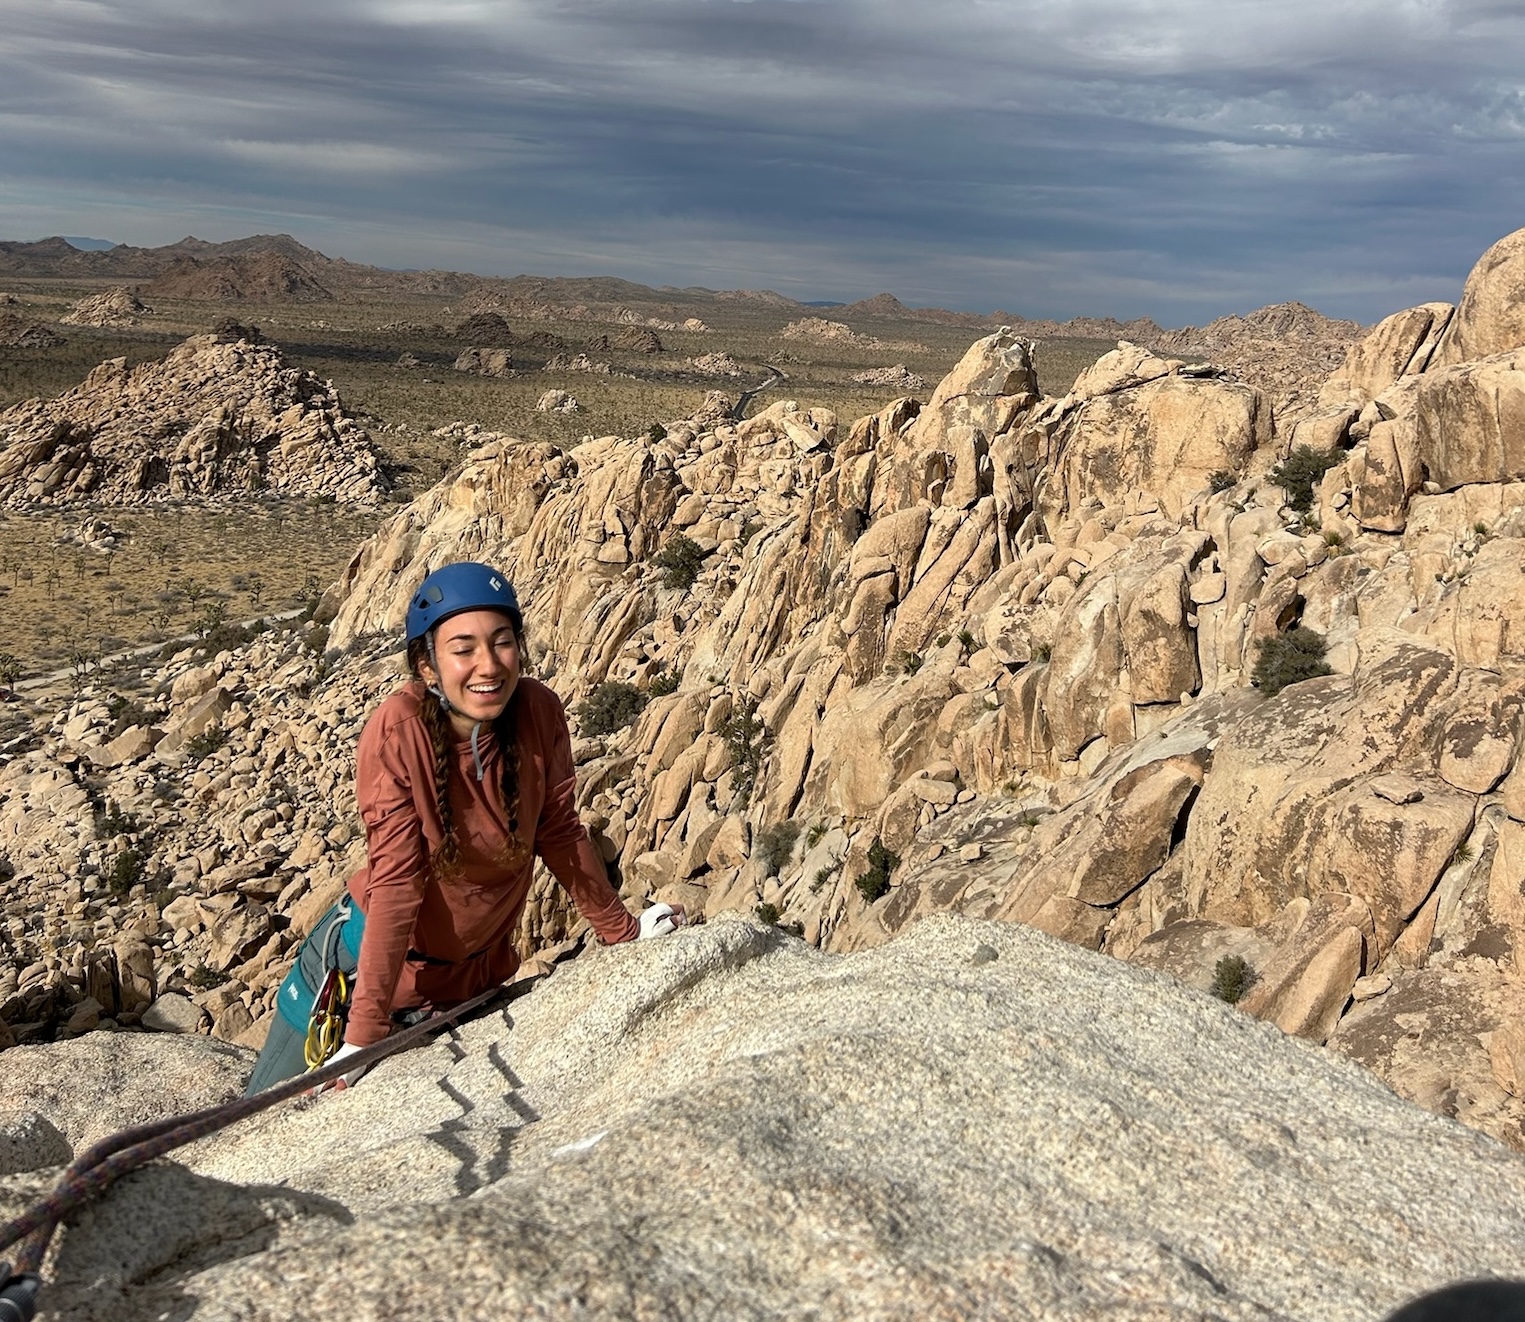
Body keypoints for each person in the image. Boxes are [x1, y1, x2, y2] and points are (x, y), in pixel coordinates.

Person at [245, 562, 682, 1094]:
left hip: (469, 980)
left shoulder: (538, 711)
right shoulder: (398, 731)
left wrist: (624, 932)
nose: (488, 665)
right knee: (265, 1112)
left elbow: (560, 833)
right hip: (356, 976)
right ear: (427, 666)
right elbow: (399, 883)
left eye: (502, 643)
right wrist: (363, 1034)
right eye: (463, 648)